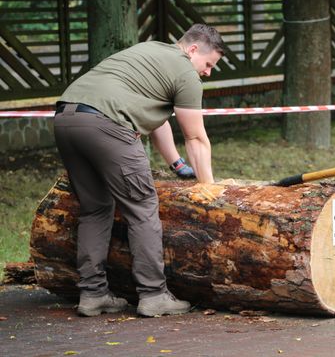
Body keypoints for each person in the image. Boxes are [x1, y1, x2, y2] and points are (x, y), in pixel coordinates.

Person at [54, 23, 224, 317]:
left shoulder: (151, 51)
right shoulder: (185, 74)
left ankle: (93, 295)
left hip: (66, 118)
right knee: (143, 206)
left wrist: (177, 165)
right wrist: (207, 187)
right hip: (107, 125)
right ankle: (154, 294)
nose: (208, 72)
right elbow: (195, 137)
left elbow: (156, 121)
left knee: (95, 208)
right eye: (208, 64)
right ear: (193, 49)